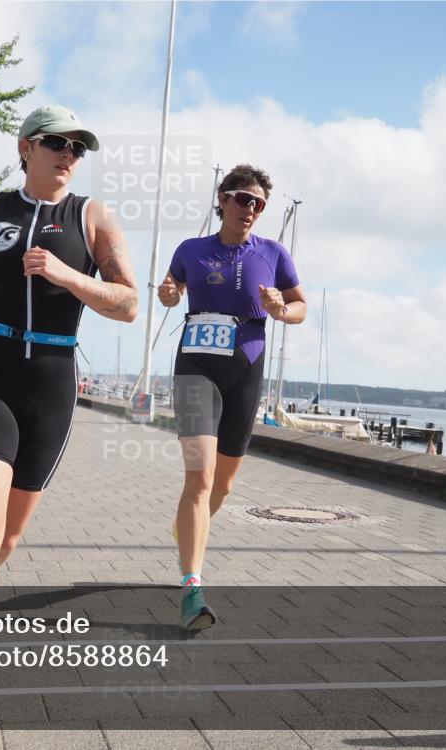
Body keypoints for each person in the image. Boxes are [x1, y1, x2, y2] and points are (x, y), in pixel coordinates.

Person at [0, 105, 138, 732]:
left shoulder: (94, 217)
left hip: (50, 383)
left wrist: (69, 274)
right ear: (26, 148)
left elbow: (128, 302)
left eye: (79, 146)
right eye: (56, 142)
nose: (69, 153)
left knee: (7, 542)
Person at [157, 164, 307, 630]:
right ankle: (192, 586)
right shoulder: (191, 250)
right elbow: (170, 290)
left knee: (221, 486)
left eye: (259, 204)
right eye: (243, 199)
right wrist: (167, 292)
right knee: (199, 482)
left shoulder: (274, 253)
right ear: (222, 199)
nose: (251, 209)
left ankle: (187, 533)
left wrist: (282, 310)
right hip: (196, 368)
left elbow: (300, 307)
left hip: (245, 372)